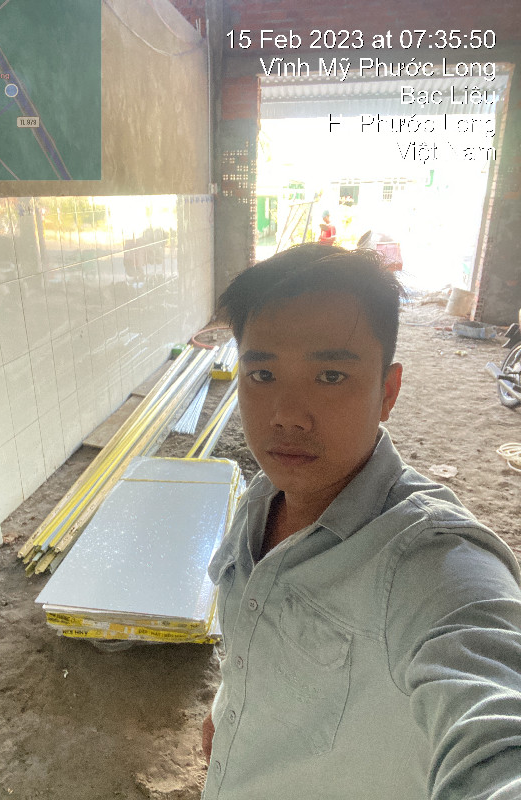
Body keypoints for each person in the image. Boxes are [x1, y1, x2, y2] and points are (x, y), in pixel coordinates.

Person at [201, 243, 521, 800]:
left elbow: (493, 712)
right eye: (263, 374)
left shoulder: (430, 560)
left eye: (329, 375)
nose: (287, 416)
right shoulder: (262, 496)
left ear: (387, 392)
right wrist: (229, 712)